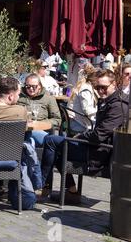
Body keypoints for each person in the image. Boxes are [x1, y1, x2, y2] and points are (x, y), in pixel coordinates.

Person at [40, 69, 129, 204]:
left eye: (103, 87)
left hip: (98, 153)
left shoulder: (118, 105)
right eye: (97, 87)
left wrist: (81, 136)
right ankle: (70, 191)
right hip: (95, 147)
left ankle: (41, 187)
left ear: (114, 84)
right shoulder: (109, 100)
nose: (100, 91)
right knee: (54, 147)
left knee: (51, 141)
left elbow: (99, 135)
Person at [17, 73, 61, 147]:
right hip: (20, 130)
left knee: (31, 139)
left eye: (34, 86)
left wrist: (39, 124)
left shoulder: (48, 98)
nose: (31, 89)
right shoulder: (18, 97)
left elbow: (57, 120)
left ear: (40, 86)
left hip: (40, 130)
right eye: (28, 86)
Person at [67, 63, 98, 132]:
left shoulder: (82, 85)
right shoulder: (85, 89)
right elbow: (87, 110)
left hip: (75, 121)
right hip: (79, 124)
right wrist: (100, 110)